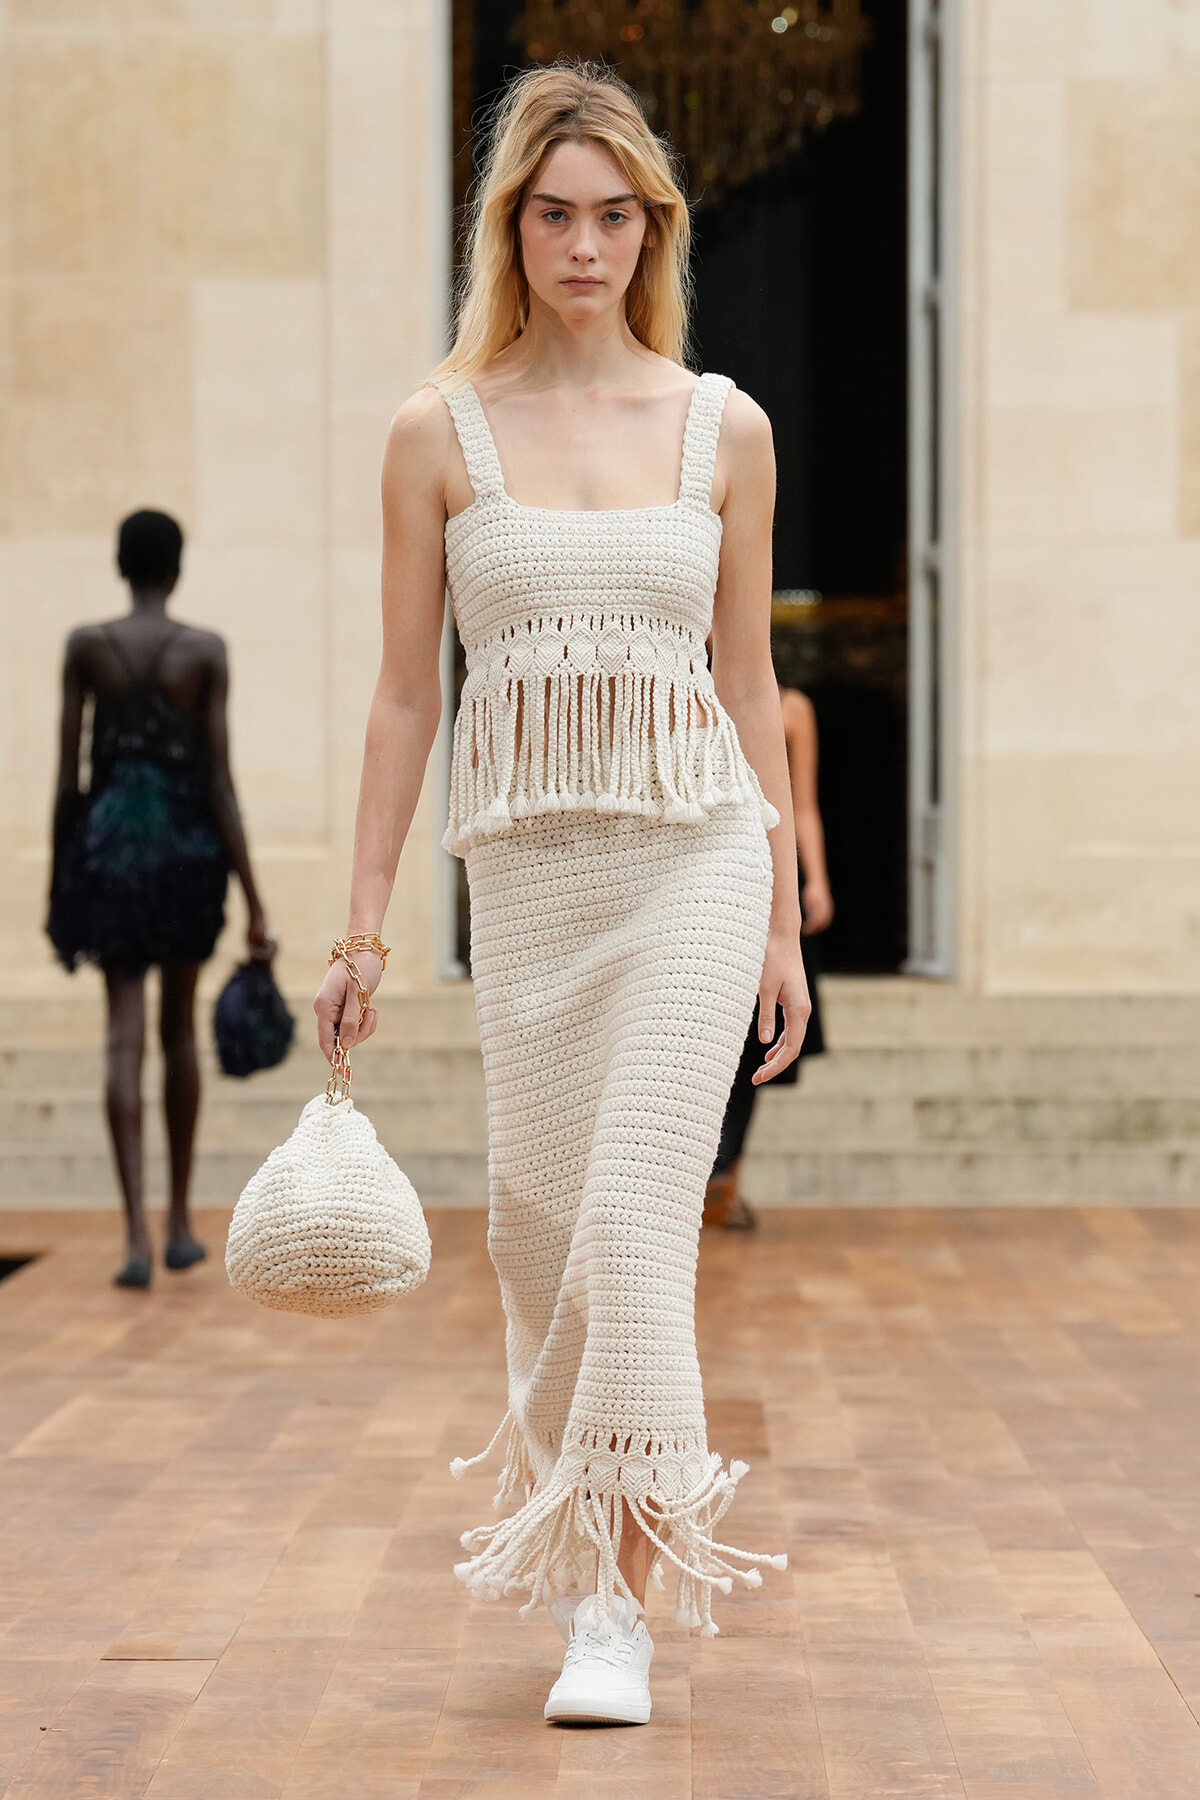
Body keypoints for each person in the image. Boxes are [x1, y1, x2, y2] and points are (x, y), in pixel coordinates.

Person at [313, 62, 809, 1727]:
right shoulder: (434, 433)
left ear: (652, 227)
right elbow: (403, 697)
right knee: (537, 1235)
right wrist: (365, 922)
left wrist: (782, 919)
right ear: (508, 226)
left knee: (629, 1228)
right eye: (552, 213)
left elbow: (747, 689)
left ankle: (619, 1607)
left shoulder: (722, 424)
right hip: (525, 884)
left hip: (689, 865)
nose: (582, 243)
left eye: (613, 214)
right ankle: (590, 1559)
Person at [47, 510, 271, 1290]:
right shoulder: (202, 652)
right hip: (186, 854)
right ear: (176, 569)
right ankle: (178, 1223)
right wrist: (255, 898)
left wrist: (59, 881)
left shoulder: (87, 647)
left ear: (120, 564)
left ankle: (135, 1237)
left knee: (123, 1037)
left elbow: (68, 779)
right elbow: (220, 781)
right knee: (179, 1033)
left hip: (109, 855)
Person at [704, 683, 834, 1229]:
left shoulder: (794, 708)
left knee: (759, 1034)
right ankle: (701, 1181)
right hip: (709, 870)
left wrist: (818, 880)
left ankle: (725, 1182)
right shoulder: (683, 680)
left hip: (775, 872)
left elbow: (801, 803)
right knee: (711, 1033)